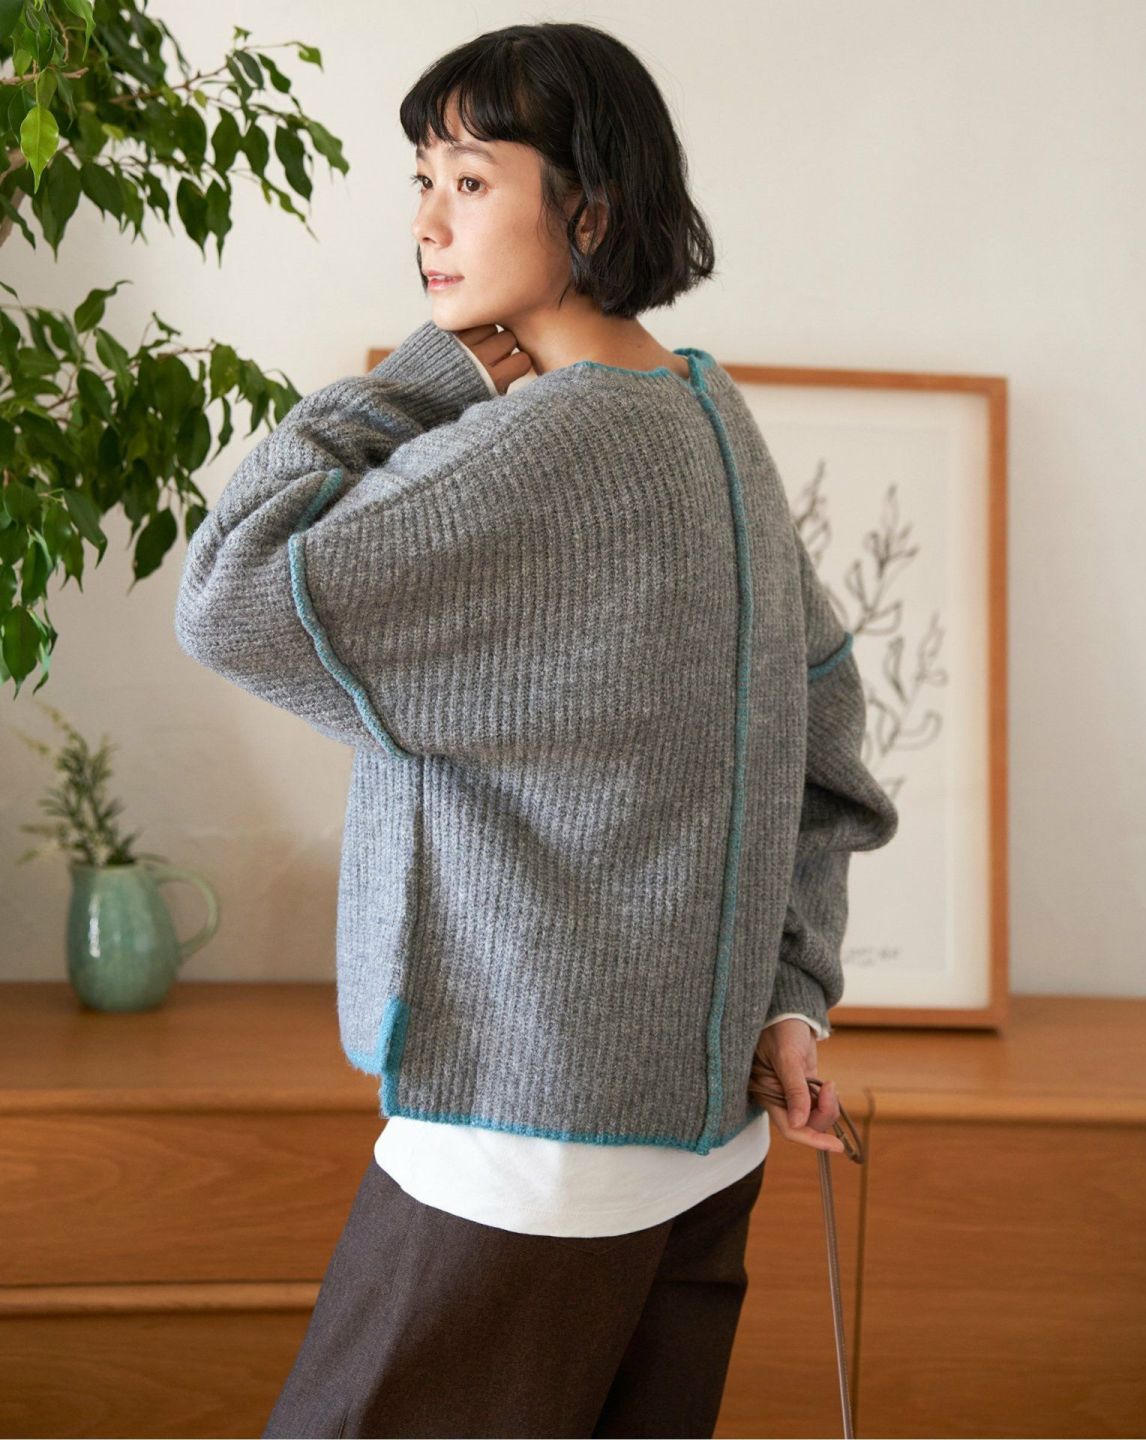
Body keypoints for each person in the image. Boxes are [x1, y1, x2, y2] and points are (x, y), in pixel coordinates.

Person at [175, 21, 898, 1439]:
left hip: (523, 1149)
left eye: (470, 180)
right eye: (422, 180)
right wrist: (788, 994)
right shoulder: (709, 420)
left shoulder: (540, 448)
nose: (426, 222)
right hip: (701, 1152)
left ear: (592, 212)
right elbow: (825, 728)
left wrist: (437, 368)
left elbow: (232, 591)